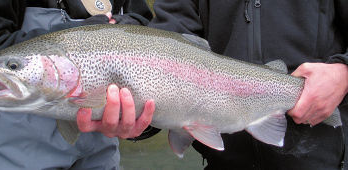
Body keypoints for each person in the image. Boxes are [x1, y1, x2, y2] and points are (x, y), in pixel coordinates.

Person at [148, 0, 348, 169]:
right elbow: (169, 34)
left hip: (324, 158)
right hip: (222, 162)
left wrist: (343, 72)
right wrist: (141, 121)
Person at [0, 0, 155, 169]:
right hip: (19, 143)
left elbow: (146, 24)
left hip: (102, 146)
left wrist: (143, 124)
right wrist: (75, 36)